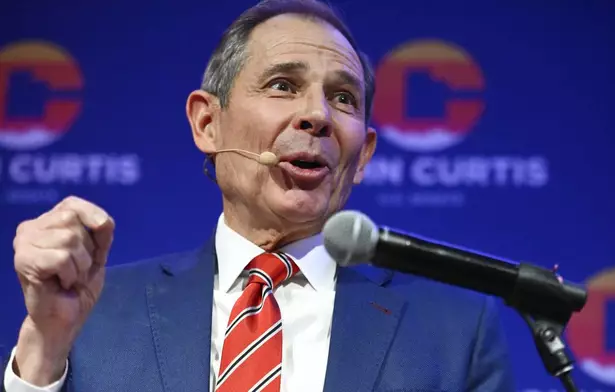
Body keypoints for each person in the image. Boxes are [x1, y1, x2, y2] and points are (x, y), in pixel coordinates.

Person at [3, 0, 515, 390]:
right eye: (282, 85)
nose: (317, 115)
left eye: (343, 98)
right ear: (208, 123)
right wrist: (45, 347)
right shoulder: (92, 314)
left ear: (363, 156)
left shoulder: (457, 333)